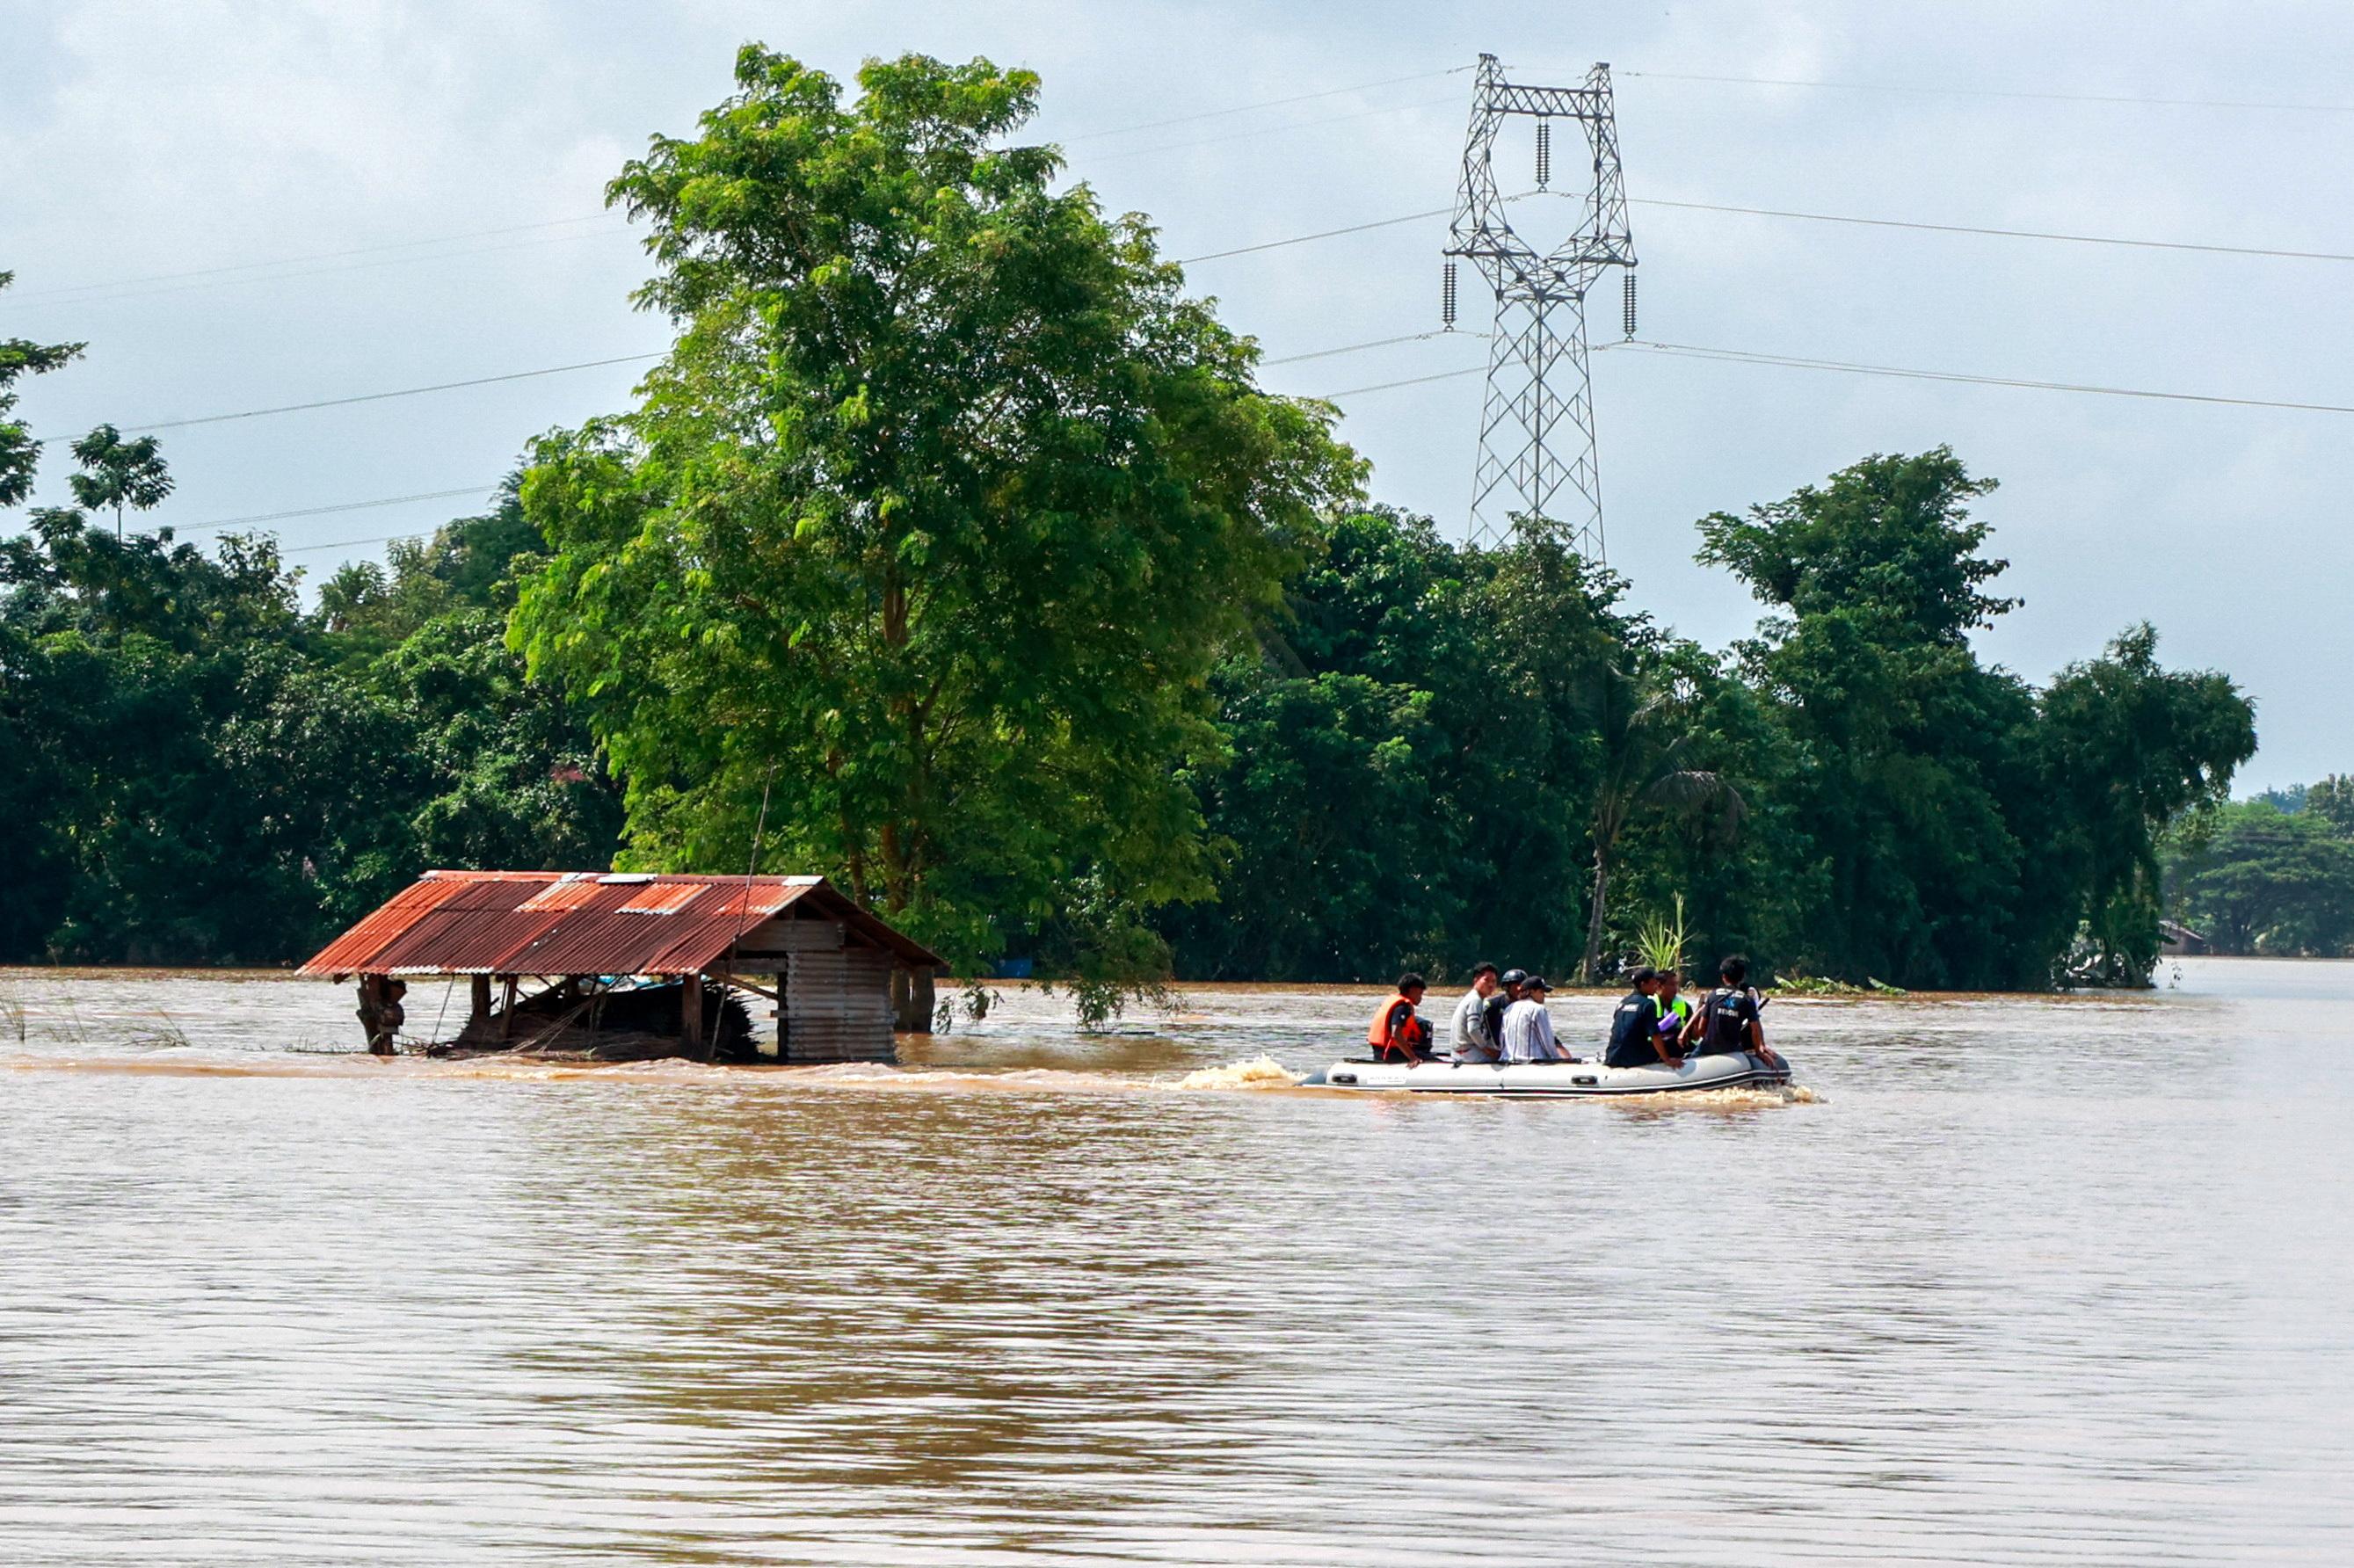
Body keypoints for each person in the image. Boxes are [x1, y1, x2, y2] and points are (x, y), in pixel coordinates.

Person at [1687, 956, 1784, 1067]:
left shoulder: (1712, 996)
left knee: (1689, 1062)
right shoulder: (1747, 1000)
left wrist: (1712, 1042)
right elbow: (1755, 1029)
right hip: (1731, 1048)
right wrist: (1759, 1051)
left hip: (1708, 1046)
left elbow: (1701, 1028)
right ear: (1742, 977)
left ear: (1724, 977)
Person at [1603, 965, 1670, 1068]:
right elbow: (1654, 1035)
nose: (1657, 985)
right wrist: (1667, 1060)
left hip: (1612, 1056)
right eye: (1654, 982)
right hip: (1632, 1058)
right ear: (1643, 984)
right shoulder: (1648, 1004)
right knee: (1672, 1044)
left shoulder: (1623, 1002)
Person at [1368, 972, 1435, 1064]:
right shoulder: (1402, 1007)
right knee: (1434, 1061)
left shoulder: (1395, 1002)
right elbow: (1396, 1034)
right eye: (1420, 993)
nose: (1421, 998)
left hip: (1381, 1052)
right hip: (1391, 1054)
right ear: (1412, 990)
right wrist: (1413, 1058)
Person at [1499, 976, 1566, 1062]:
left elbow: (1502, 1041)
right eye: (1541, 991)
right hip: (1533, 1063)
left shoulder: (1509, 1008)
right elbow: (1548, 1043)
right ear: (1530, 992)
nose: (1544, 996)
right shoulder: (1538, 1009)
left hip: (1507, 1061)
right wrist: (1558, 1060)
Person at [1449, 962, 1503, 1063]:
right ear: (1476, 980)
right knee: (1503, 1057)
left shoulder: (1471, 998)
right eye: (1486, 980)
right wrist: (1486, 1049)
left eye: (1494, 981)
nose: (1491, 985)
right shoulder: (1475, 1000)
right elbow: (1473, 1029)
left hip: (1458, 1052)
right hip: (1468, 1053)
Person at [1484, 968, 1527, 1052]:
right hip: (1496, 1050)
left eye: (1523, 985)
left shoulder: (1528, 1006)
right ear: (1506, 987)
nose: (1520, 989)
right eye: (1517, 985)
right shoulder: (1493, 1005)